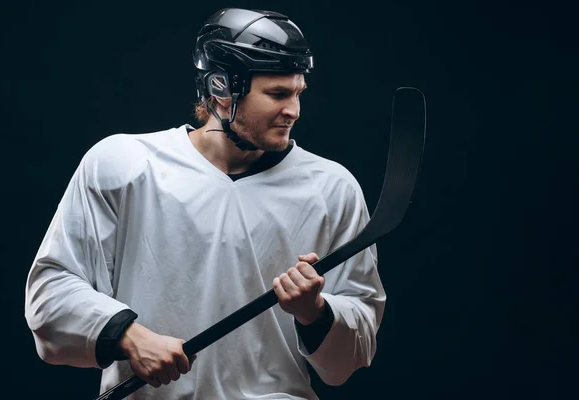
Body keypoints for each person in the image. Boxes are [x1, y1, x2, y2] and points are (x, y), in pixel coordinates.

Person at [24, 8, 386, 400]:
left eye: (298, 93)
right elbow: (51, 291)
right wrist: (127, 335)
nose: (294, 111)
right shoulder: (122, 164)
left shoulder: (333, 188)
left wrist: (314, 311)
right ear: (220, 87)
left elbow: (355, 352)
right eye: (278, 94)